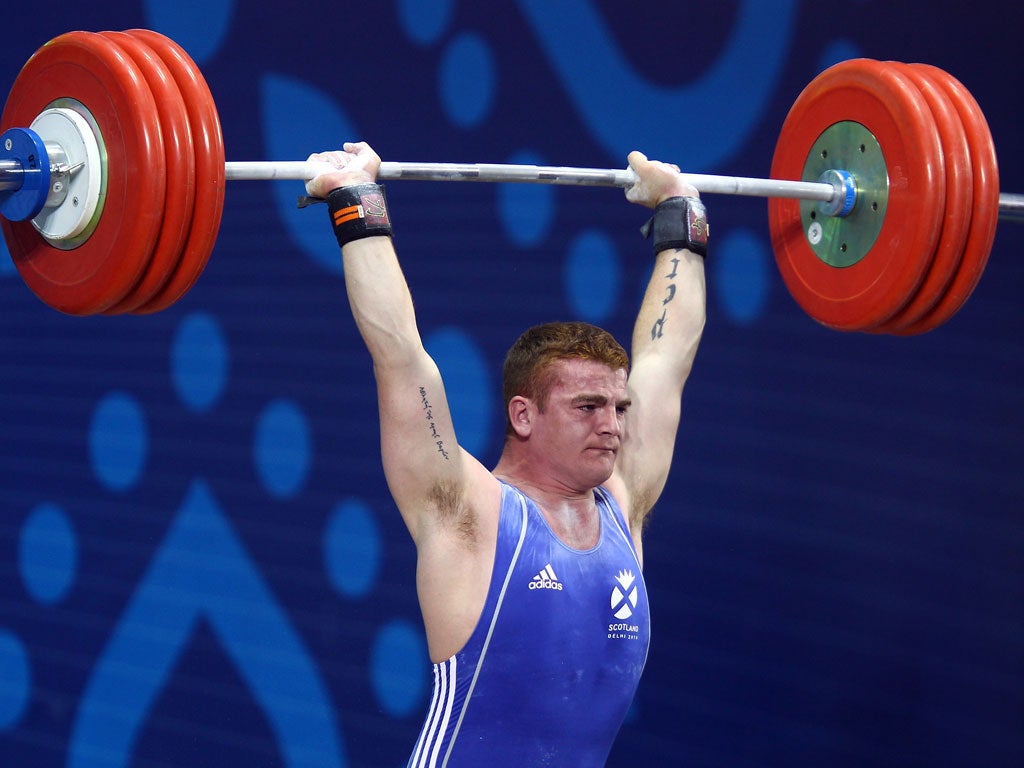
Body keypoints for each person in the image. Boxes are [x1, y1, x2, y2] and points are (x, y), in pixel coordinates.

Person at [305, 142, 707, 767]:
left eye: (618, 408)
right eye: (587, 407)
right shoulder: (468, 512)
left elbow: (667, 360)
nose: (612, 425)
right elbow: (400, 355)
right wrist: (355, 200)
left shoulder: (622, 505)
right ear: (524, 414)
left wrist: (680, 215)